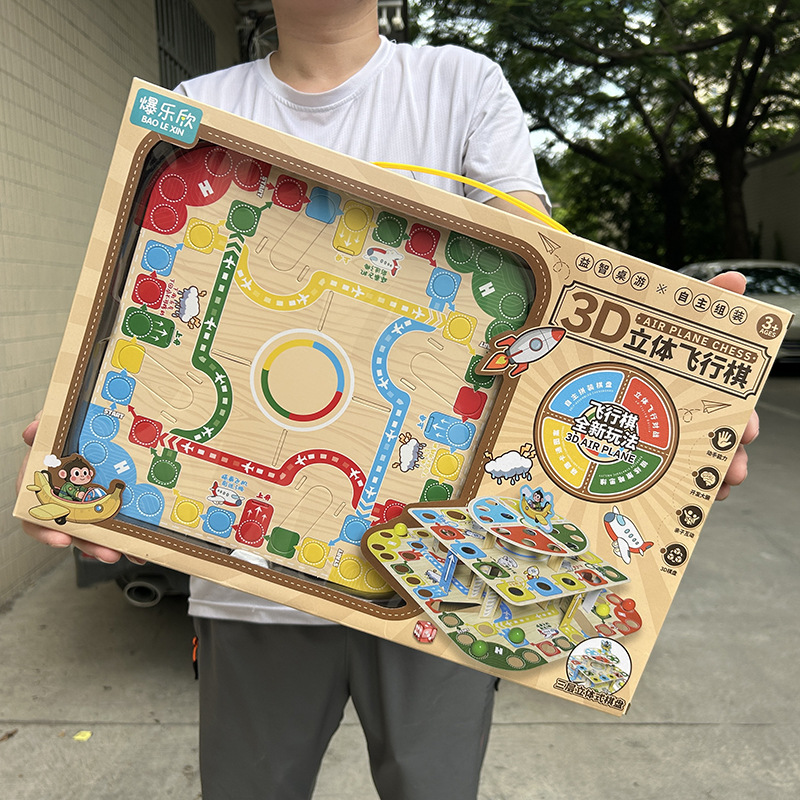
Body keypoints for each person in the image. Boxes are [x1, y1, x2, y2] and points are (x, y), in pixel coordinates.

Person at [18, 2, 759, 798]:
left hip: (442, 585)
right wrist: (81, 446)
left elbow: (544, 282)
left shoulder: (461, 85)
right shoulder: (200, 109)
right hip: (247, 587)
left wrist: (676, 394)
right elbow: (140, 306)